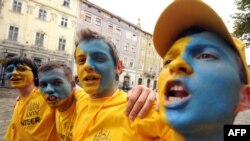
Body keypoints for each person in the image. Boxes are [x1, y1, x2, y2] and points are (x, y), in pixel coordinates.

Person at [153, 0, 250, 140]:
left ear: (245, 97)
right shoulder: (136, 124)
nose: (176, 64)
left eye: (205, 55)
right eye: (168, 61)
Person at [72, 28, 181, 141]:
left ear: (119, 67)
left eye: (99, 58)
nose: (87, 65)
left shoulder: (139, 108)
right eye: (81, 60)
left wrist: (164, 102)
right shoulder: (80, 101)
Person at [4, 57, 59, 141]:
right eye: (10, 69)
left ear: (35, 76)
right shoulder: (17, 102)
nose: (14, 72)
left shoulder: (46, 96)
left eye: (22, 69)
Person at [38, 62, 86, 141]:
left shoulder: (85, 107)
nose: (48, 89)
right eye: (43, 85)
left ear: (72, 85)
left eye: (57, 83)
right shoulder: (55, 104)